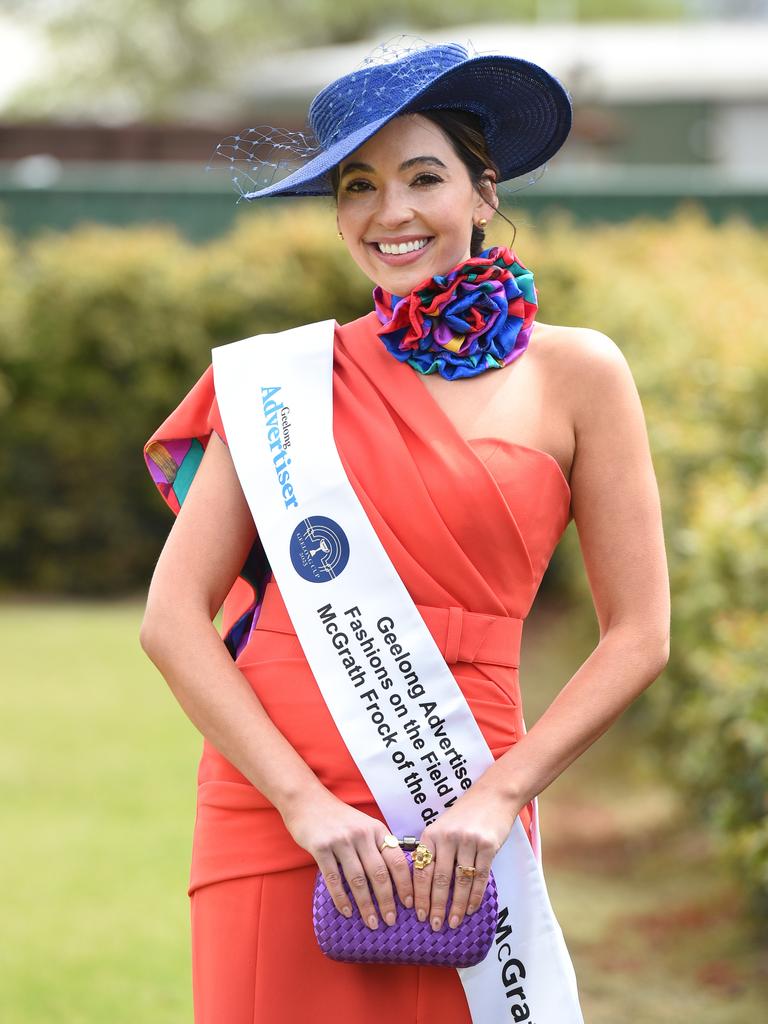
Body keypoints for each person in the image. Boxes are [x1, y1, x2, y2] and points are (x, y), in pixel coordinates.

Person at [140, 38, 670, 1024]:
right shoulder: (278, 384)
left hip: (461, 815)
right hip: (275, 819)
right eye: (357, 185)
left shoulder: (580, 374)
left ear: (482, 189)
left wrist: (498, 800)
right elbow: (172, 620)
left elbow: (640, 633)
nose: (389, 212)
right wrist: (305, 805)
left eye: (422, 176)